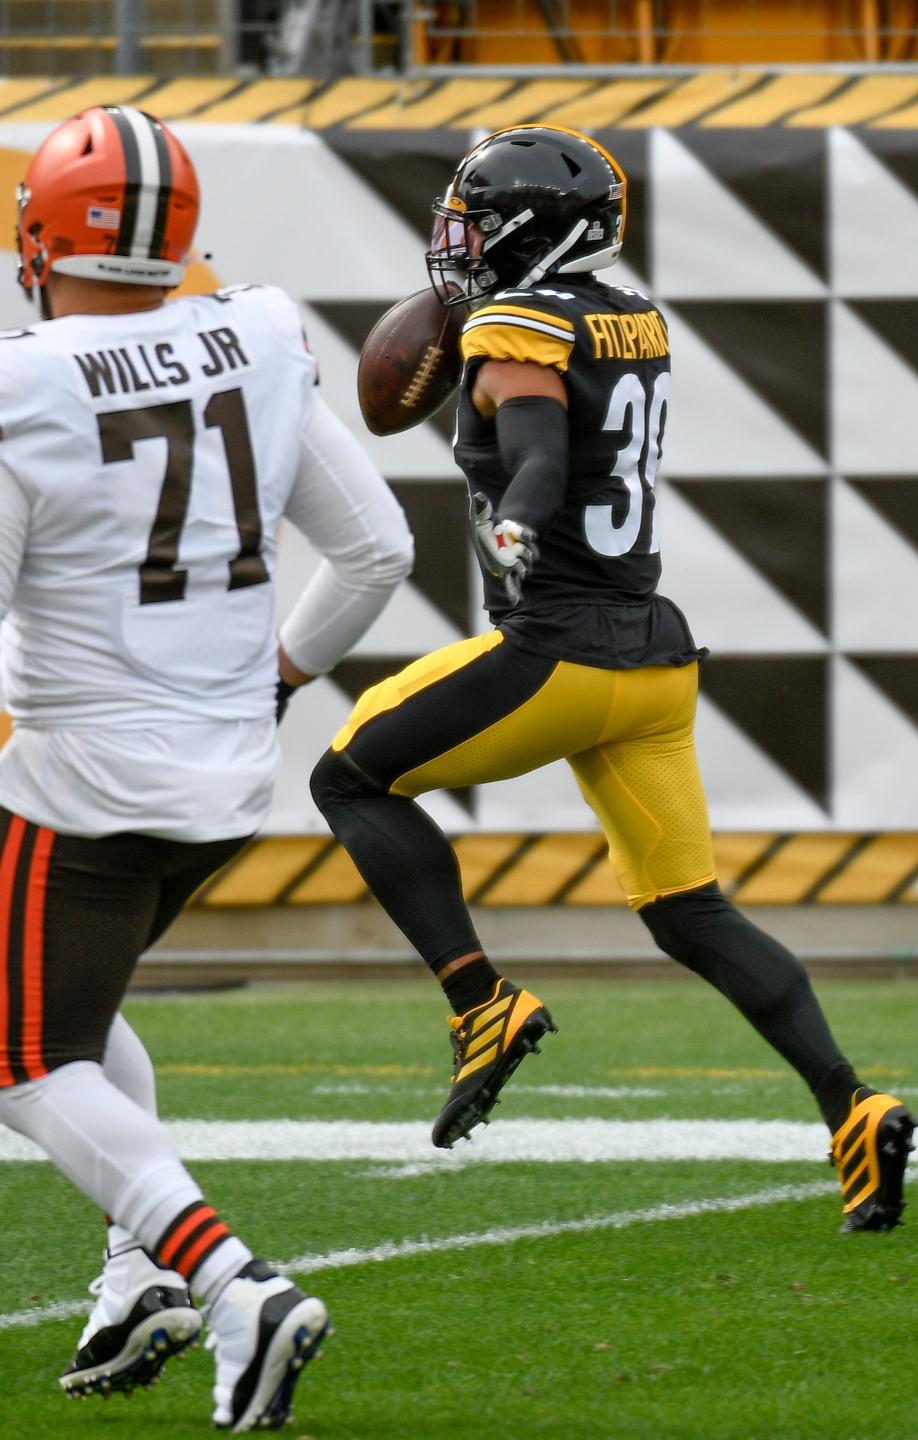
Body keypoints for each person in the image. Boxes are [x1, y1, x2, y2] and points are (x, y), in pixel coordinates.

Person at [311, 123, 918, 1233]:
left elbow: (538, 449)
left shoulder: (515, 321)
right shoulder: (629, 316)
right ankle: (852, 1104)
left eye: (480, 223)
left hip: (563, 650)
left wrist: (519, 528)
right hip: (654, 662)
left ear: (532, 230)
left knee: (350, 777)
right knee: (690, 911)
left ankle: (480, 1003)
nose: (460, 243)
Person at [0, 106, 413, 1430]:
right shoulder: (260, 332)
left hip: (85, 776)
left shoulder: (29, 385)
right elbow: (377, 556)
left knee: (22, 1057)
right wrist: (273, 683)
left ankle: (234, 1285)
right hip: (229, 778)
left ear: (36, 241)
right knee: (71, 1009)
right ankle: (136, 1276)